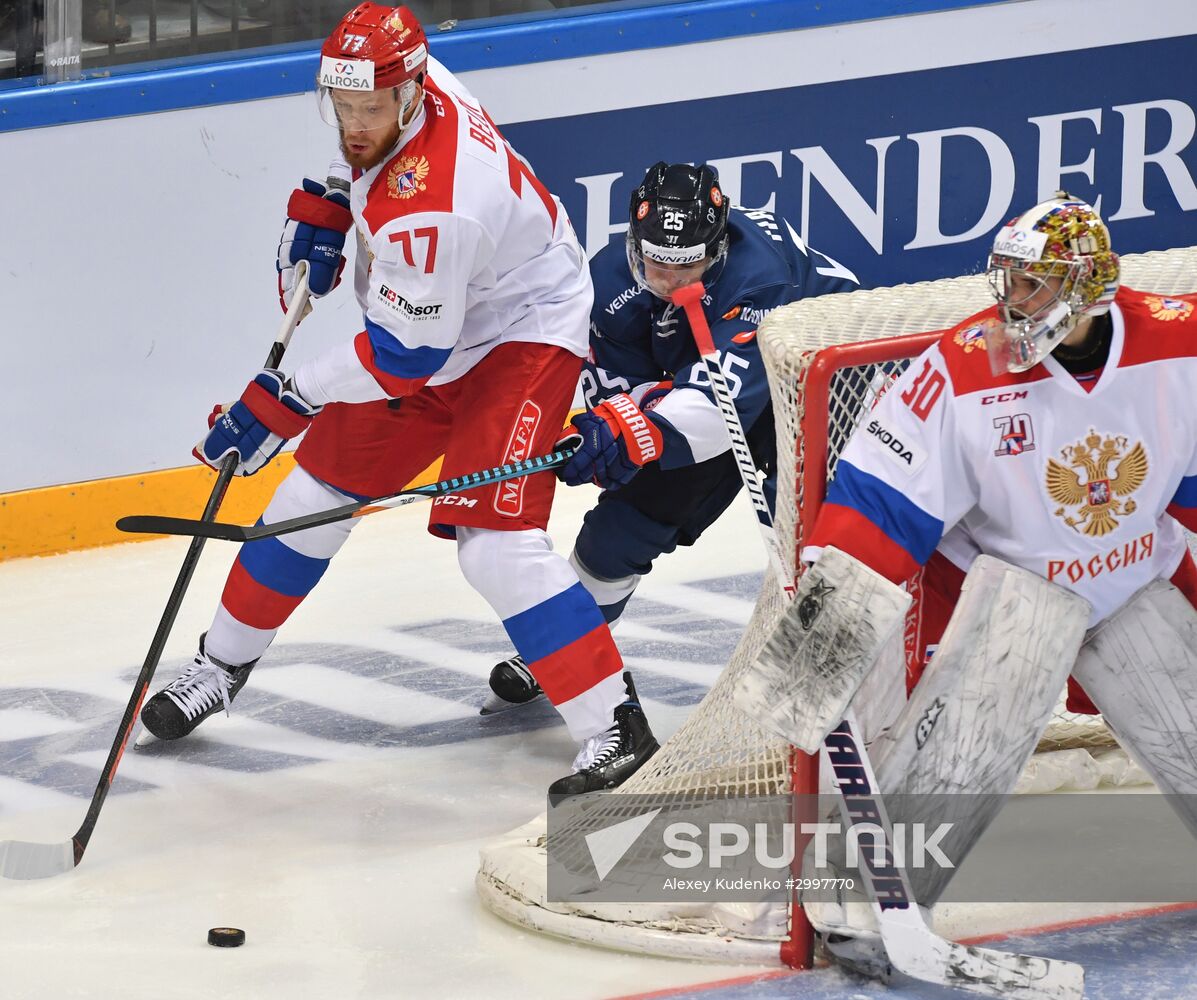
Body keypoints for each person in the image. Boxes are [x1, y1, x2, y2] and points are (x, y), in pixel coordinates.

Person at [138, 3, 659, 799]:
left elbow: (403, 360)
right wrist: (332, 198)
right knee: (311, 498)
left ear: (410, 93)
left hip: (520, 336)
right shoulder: (415, 76)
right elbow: (403, 319)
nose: (354, 123)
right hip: (439, 323)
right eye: (341, 107)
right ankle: (219, 667)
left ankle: (615, 726)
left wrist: (288, 398)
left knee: (494, 547)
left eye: (370, 109)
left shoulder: (438, 207)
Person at [798, 192, 1197, 976]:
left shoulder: (1180, 344)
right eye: (1006, 279)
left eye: (1032, 283)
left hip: (1132, 586)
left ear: (1087, 287)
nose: (1011, 299)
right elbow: (882, 501)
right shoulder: (960, 365)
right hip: (1017, 600)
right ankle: (867, 905)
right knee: (963, 750)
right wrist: (825, 619)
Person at [482, 161, 860, 713]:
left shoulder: (760, 277)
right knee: (618, 532)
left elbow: (719, 406)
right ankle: (569, 649)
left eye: (688, 267)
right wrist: (611, 434)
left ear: (719, 246)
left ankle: (841, 657)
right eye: (656, 263)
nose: (669, 282)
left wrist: (637, 427)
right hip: (705, 390)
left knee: (813, 524)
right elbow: (627, 395)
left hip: (827, 380)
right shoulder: (607, 282)